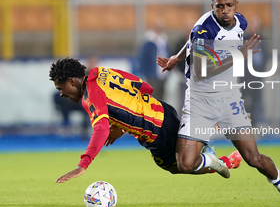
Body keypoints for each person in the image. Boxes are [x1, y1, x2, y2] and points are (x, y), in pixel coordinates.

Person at [156, 0, 280, 207]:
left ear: (236, 5)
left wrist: (177, 56)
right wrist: (239, 54)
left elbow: (191, 41)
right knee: (184, 163)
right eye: (219, 6)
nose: (224, 10)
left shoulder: (241, 23)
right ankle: (214, 160)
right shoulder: (205, 28)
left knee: (253, 158)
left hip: (230, 98)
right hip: (200, 102)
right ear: (212, 7)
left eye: (229, 5)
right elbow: (202, 68)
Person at [49, 57, 241, 183]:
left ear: (72, 82)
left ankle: (209, 156)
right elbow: (146, 87)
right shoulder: (101, 72)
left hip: (153, 131)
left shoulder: (89, 96)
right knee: (183, 157)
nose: (61, 94)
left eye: (60, 88)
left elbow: (101, 129)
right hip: (165, 111)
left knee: (177, 166)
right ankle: (224, 159)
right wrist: (122, 123)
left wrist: (83, 165)